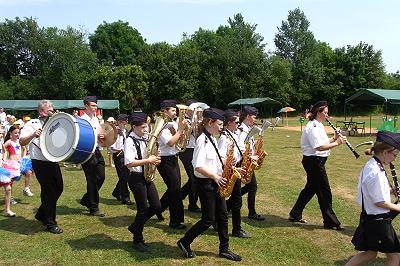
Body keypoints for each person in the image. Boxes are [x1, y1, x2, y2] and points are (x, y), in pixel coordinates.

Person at [177, 108, 241, 261]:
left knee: (223, 215)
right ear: (210, 123)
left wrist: (229, 165)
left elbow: (215, 162)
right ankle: (184, 242)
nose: (221, 126)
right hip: (206, 183)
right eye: (219, 124)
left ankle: (224, 249)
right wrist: (215, 177)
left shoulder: (212, 138)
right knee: (208, 219)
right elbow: (198, 166)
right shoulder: (202, 140)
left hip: (215, 181)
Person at [288, 100, 346, 230]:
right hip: (313, 162)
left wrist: (335, 137)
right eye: (325, 113)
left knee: (310, 189)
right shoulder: (312, 127)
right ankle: (331, 221)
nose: (327, 115)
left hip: (317, 161)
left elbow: (325, 142)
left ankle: (295, 213)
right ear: (318, 112)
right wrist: (338, 143)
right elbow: (319, 147)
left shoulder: (319, 125)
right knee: (324, 192)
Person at [345, 131, 400, 266]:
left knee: (370, 253)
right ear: (385, 152)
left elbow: (372, 192)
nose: (395, 159)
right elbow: (379, 201)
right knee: (395, 257)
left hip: (371, 218)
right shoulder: (375, 171)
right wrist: (398, 207)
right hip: (378, 221)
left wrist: (390, 191)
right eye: (395, 155)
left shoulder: (373, 165)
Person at [20, 100, 64, 233]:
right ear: (40, 111)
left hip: (52, 159)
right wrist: (33, 135)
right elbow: (22, 141)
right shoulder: (32, 124)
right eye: (49, 109)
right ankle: (50, 223)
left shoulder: (54, 122)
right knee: (48, 190)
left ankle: (41, 213)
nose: (52, 110)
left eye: (52, 108)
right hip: (39, 160)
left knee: (59, 187)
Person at [125, 112, 162, 252]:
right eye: (143, 127)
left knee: (157, 206)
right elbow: (129, 163)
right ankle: (137, 240)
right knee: (142, 209)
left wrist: (155, 157)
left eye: (147, 127)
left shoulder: (144, 138)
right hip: (136, 178)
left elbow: (150, 153)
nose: (146, 130)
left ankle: (135, 226)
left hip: (146, 177)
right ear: (134, 127)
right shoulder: (130, 141)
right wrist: (148, 160)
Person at [218, 109, 250, 238]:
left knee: (236, 200)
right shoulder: (224, 138)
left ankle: (234, 227)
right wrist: (232, 167)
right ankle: (236, 229)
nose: (238, 124)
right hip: (230, 169)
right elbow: (221, 158)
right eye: (236, 122)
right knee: (235, 200)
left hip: (235, 167)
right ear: (229, 123)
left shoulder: (233, 134)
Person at [156, 100, 187, 229]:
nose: (175, 113)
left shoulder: (172, 123)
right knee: (174, 190)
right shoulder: (161, 124)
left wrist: (184, 131)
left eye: (175, 110)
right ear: (164, 111)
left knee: (175, 189)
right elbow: (169, 142)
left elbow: (179, 139)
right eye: (173, 110)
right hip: (164, 160)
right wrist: (180, 131)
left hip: (173, 158)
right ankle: (174, 221)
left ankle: (158, 208)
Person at [79, 96, 106, 217]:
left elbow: (99, 134)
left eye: (96, 105)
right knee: (92, 180)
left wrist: (101, 137)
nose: (95, 108)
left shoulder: (96, 119)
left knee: (101, 177)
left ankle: (87, 199)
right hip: (86, 152)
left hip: (97, 150)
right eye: (92, 105)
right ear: (86, 106)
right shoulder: (81, 120)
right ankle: (94, 208)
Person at [237, 105, 265, 221]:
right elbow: (240, 148)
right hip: (243, 162)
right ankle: (251, 212)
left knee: (250, 186)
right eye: (254, 117)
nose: (255, 119)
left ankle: (229, 205)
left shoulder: (248, 129)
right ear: (248, 116)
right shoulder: (242, 130)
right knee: (252, 187)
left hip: (248, 161)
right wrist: (251, 156)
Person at [179, 100, 201, 213]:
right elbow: (184, 133)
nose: (195, 111)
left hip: (195, 148)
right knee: (194, 178)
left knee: (195, 177)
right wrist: (193, 125)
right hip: (186, 150)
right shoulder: (183, 118)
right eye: (194, 109)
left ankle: (180, 195)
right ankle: (192, 204)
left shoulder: (197, 119)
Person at [111, 114, 133, 205]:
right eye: (125, 121)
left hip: (125, 155)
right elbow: (111, 147)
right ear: (120, 122)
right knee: (123, 177)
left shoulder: (126, 131)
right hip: (118, 156)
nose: (126, 122)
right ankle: (125, 197)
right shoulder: (114, 131)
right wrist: (119, 149)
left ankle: (116, 192)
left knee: (125, 176)